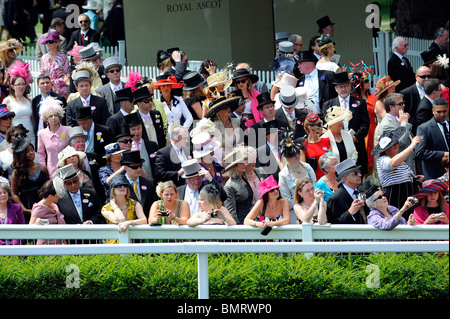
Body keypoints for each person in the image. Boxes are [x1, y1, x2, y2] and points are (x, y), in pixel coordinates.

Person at [322, 72, 370, 176]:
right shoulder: (328, 105)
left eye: (346, 86)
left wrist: (355, 137)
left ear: (349, 86)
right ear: (336, 88)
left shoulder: (360, 102)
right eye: (340, 87)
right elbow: (326, 126)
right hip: (336, 144)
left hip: (356, 144)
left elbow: (365, 124)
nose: (343, 89)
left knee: (357, 174)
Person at [372, 127, 423, 213]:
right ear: (386, 148)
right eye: (392, 144)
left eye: (396, 142)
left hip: (408, 196)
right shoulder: (382, 160)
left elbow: (404, 176)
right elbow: (392, 163)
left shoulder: (401, 160)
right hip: (394, 197)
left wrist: (416, 179)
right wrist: (412, 146)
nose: (396, 145)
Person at [278, 131, 315, 223]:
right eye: (292, 154)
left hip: (314, 208)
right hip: (296, 215)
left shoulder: (307, 167)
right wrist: (303, 204)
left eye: (297, 152)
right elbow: (287, 199)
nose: (297, 156)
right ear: (286, 157)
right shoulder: (283, 175)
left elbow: (315, 186)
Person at [10, 138, 49, 223]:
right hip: (26, 206)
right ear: (21, 155)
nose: (31, 153)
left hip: (42, 205)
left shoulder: (43, 168)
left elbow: (48, 188)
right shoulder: (17, 173)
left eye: (32, 150)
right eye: (27, 152)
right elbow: (14, 194)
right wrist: (24, 209)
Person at [373, 93, 415, 171]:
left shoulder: (398, 119)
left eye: (403, 103)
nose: (403, 106)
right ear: (391, 107)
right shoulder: (387, 124)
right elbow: (401, 143)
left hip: (407, 167)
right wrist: (405, 124)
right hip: (399, 170)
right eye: (400, 104)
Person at [101, 175, 147, 240]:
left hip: (130, 241)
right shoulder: (106, 208)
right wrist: (114, 205)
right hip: (113, 243)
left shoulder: (135, 204)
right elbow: (120, 219)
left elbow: (144, 220)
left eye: (125, 185)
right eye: (119, 185)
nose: (123, 187)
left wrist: (129, 223)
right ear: (113, 190)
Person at [3, 61, 35, 148]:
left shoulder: (29, 100)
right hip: (16, 136)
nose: (21, 87)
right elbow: (4, 121)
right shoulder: (7, 101)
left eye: (23, 84)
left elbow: (32, 119)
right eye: (18, 85)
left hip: (30, 135)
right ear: (12, 86)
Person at [36, 97, 71, 178]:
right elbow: (40, 153)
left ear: (60, 117)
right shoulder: (42, 133)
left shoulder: (68, 130)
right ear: (46, 119)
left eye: (56, 115)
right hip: (51, 170)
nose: (54, 118)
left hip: (68, 168)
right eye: (50, 116)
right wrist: (44, 169)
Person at [416, 98, 449, 180]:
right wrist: (443, 154)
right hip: (436, 175)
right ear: (433, 111)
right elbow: (420, 152)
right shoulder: (424, 128)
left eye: (444, 111)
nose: (442, 114)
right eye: (439, 112)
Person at [326, 158, 368, 224]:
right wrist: (350, 212)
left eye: (359, 172)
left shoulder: (363, 191)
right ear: (345, 178)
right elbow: (333, 224)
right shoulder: (335, 199)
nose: (360, 175)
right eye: (355, 173)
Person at [296, 50, 337, 116]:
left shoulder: (328, 75)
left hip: (325, 116)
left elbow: (335, 95)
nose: (298, 67)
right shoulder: (300, 81)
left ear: (309, 64)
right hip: (307, 118)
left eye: (300, 64)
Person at [122, 150, 158, 219]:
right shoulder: (120, 185)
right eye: (134, 167)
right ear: (126, 168)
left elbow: (154, 203)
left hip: (147, 224)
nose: (139, 169)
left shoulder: (148, 183)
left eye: (140, 166)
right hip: (128, 224)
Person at [29, 180, 66, 245]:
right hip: (46, 248)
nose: (60, 196)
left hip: (59, 246)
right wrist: (36, 223)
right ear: (50, 197)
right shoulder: (38, 209)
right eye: (58, 194)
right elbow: (29, 230)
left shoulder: (54, 206)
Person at [125, 112, 158, 182]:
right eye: (133, 130)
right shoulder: (127, 147)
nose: (137, 132)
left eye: (138, 128)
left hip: (152, 182)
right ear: (129, 131)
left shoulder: (151, 145)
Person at [223, 146, 253, 224]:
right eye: (240, 163)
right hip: (241, 224)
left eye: (243, 161)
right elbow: (231, 213)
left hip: (250, 221)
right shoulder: (229, 186)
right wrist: (237, 230)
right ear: (234, 167)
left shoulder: (243, 178)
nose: (244, 164)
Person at [39, 30, 70, 99]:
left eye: (51, 41)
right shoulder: (44, 58)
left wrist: (55, 82)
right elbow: (42, 74)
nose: (48, 44)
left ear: (57, 43)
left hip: (61, 90)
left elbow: (67, 75)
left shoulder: (63, 57)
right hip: (47, 89)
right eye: (47, 42)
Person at [400, 66, 431, 133]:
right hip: (414, 129)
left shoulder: (433, 90)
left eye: (429, 76)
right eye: (423, 77)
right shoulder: (406, 93)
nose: (427, 79)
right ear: (416, 77)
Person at [300, 113, 331, 180]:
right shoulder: (304, 145)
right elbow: (303, 170)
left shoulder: (327, 141)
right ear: (310, 127)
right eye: (319, 124)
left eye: (322, 123)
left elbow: (332, 161)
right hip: (315, 181)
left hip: (329, 180)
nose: (322, 126)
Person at [0, 180, 25, 245]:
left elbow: (22, 229)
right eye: (0, 193)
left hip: (15, 246)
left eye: (5, 192)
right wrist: (3, 245)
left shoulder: (17, 208)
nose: (3, 195)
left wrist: (12, 245)